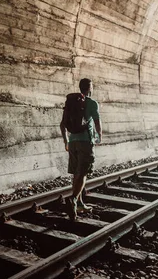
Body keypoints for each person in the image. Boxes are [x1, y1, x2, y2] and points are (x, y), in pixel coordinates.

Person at [60, 78, 102, 221]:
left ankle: (80, 203)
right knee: (83, 173)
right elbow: (97, 122)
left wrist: (66, 140)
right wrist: (100, 136)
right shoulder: (91, 103)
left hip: (73, 142)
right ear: (90, 88)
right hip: (85, 142)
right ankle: (73, 199)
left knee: (76, 174)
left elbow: (62, 124)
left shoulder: (72, 103)